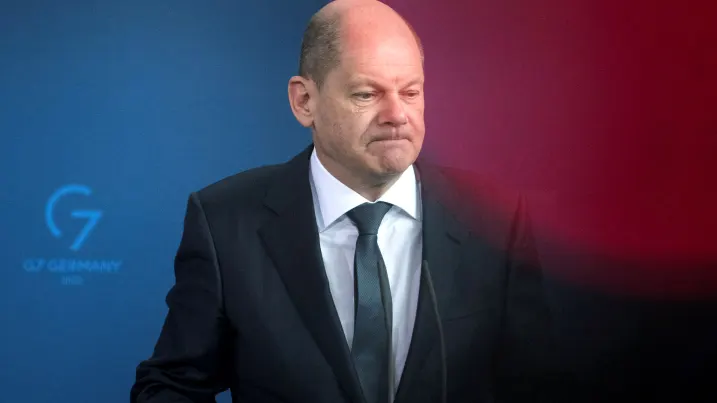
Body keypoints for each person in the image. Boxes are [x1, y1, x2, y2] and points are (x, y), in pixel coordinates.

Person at [130, 0, 553, 402]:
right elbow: (171, 385)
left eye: (410, 92)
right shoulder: (225, 222)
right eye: (366, 95)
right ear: (304, 101)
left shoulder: (494, 220)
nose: (396, 115)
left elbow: (535, 383)